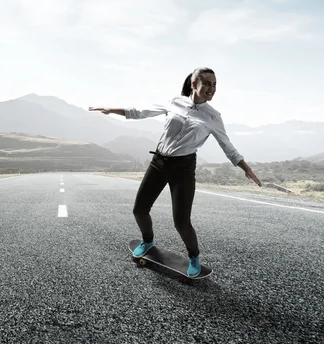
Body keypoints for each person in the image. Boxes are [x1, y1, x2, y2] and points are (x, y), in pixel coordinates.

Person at [89, 67, 262, 277]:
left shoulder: (213, 117)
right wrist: (111, 109)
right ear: (194, 84)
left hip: (183, 169)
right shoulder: (175, 102)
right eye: (207, 83)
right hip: (158, 162)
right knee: (139, 210)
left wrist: (246, 168)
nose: (211, 88)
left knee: (181, 221)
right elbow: (140, 112)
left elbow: (228, 147)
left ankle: (194, 257)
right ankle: (147, 240)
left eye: (214, 84)